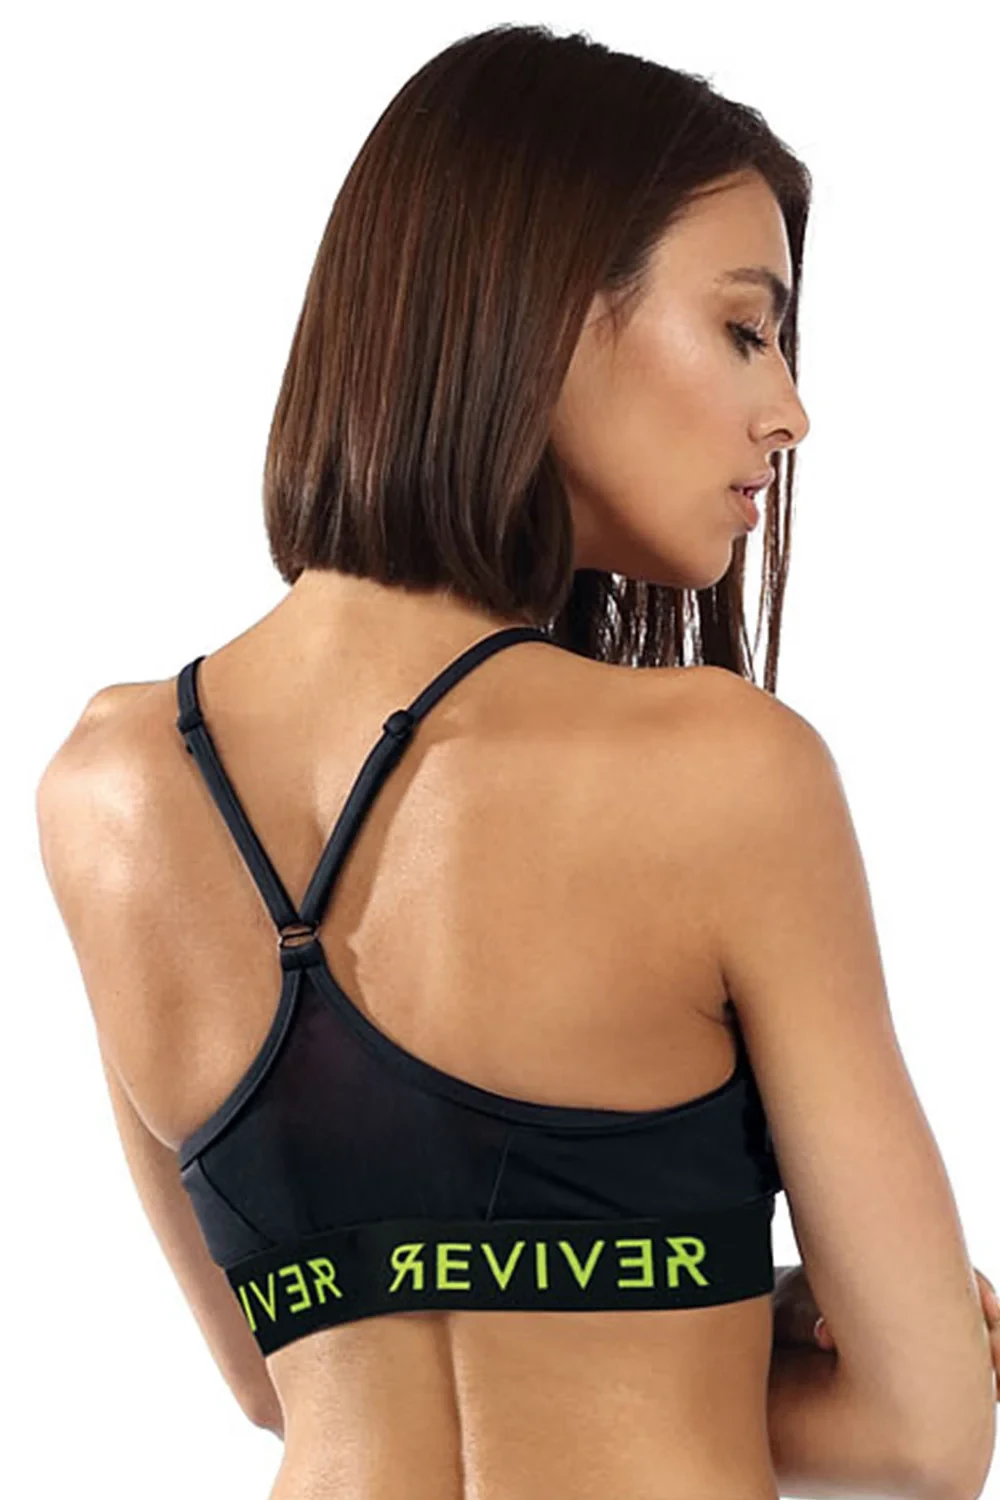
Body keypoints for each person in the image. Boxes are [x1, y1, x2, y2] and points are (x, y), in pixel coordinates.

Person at [35, 23, 997, 1500]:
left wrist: (710, 1312)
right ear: (543, 312)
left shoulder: (108, 789)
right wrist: (760, 1330)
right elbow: (926, 1435)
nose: (790, 411)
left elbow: (278, 1376)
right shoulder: (723, 772)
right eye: (746, 328)